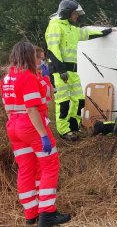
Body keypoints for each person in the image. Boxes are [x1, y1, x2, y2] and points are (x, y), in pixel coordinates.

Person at [1, 42, 71, 226]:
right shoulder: (28, 77)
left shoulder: (7, 78)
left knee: (26, 169)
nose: (37, 59)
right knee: (49, 166)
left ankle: (31, 213)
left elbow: (8, 108)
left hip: (13, 126)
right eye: (35, 55)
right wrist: (43, 135)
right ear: (27, 55)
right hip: (30, 125)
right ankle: (47, 213)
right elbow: (32, 109)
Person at [45, 0, 112, 141]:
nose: (76, 16)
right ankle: (63, 131)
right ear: (67, 13)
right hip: (59, 71)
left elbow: (87, 34)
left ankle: (73, 127)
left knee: (79, 100)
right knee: (63, 102)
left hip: (73, 72)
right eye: (74, 14)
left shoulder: (72, 29)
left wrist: (105, 32)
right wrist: (61, 69)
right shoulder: (55, 25)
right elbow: (52, 49)